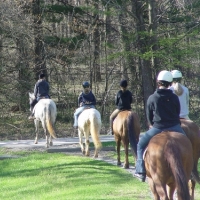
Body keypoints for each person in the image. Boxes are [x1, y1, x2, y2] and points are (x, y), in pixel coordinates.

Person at [134, 70, 186, 182]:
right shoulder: (174, 97)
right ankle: (190, 171)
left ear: (158, 83)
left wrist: (152, 125)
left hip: (158, 128)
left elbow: (149, 116)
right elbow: (177, 112)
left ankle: (140, 171)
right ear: (170, 83)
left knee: (140, 145)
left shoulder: (152, 98)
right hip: (175, 127)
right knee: (188, 144)